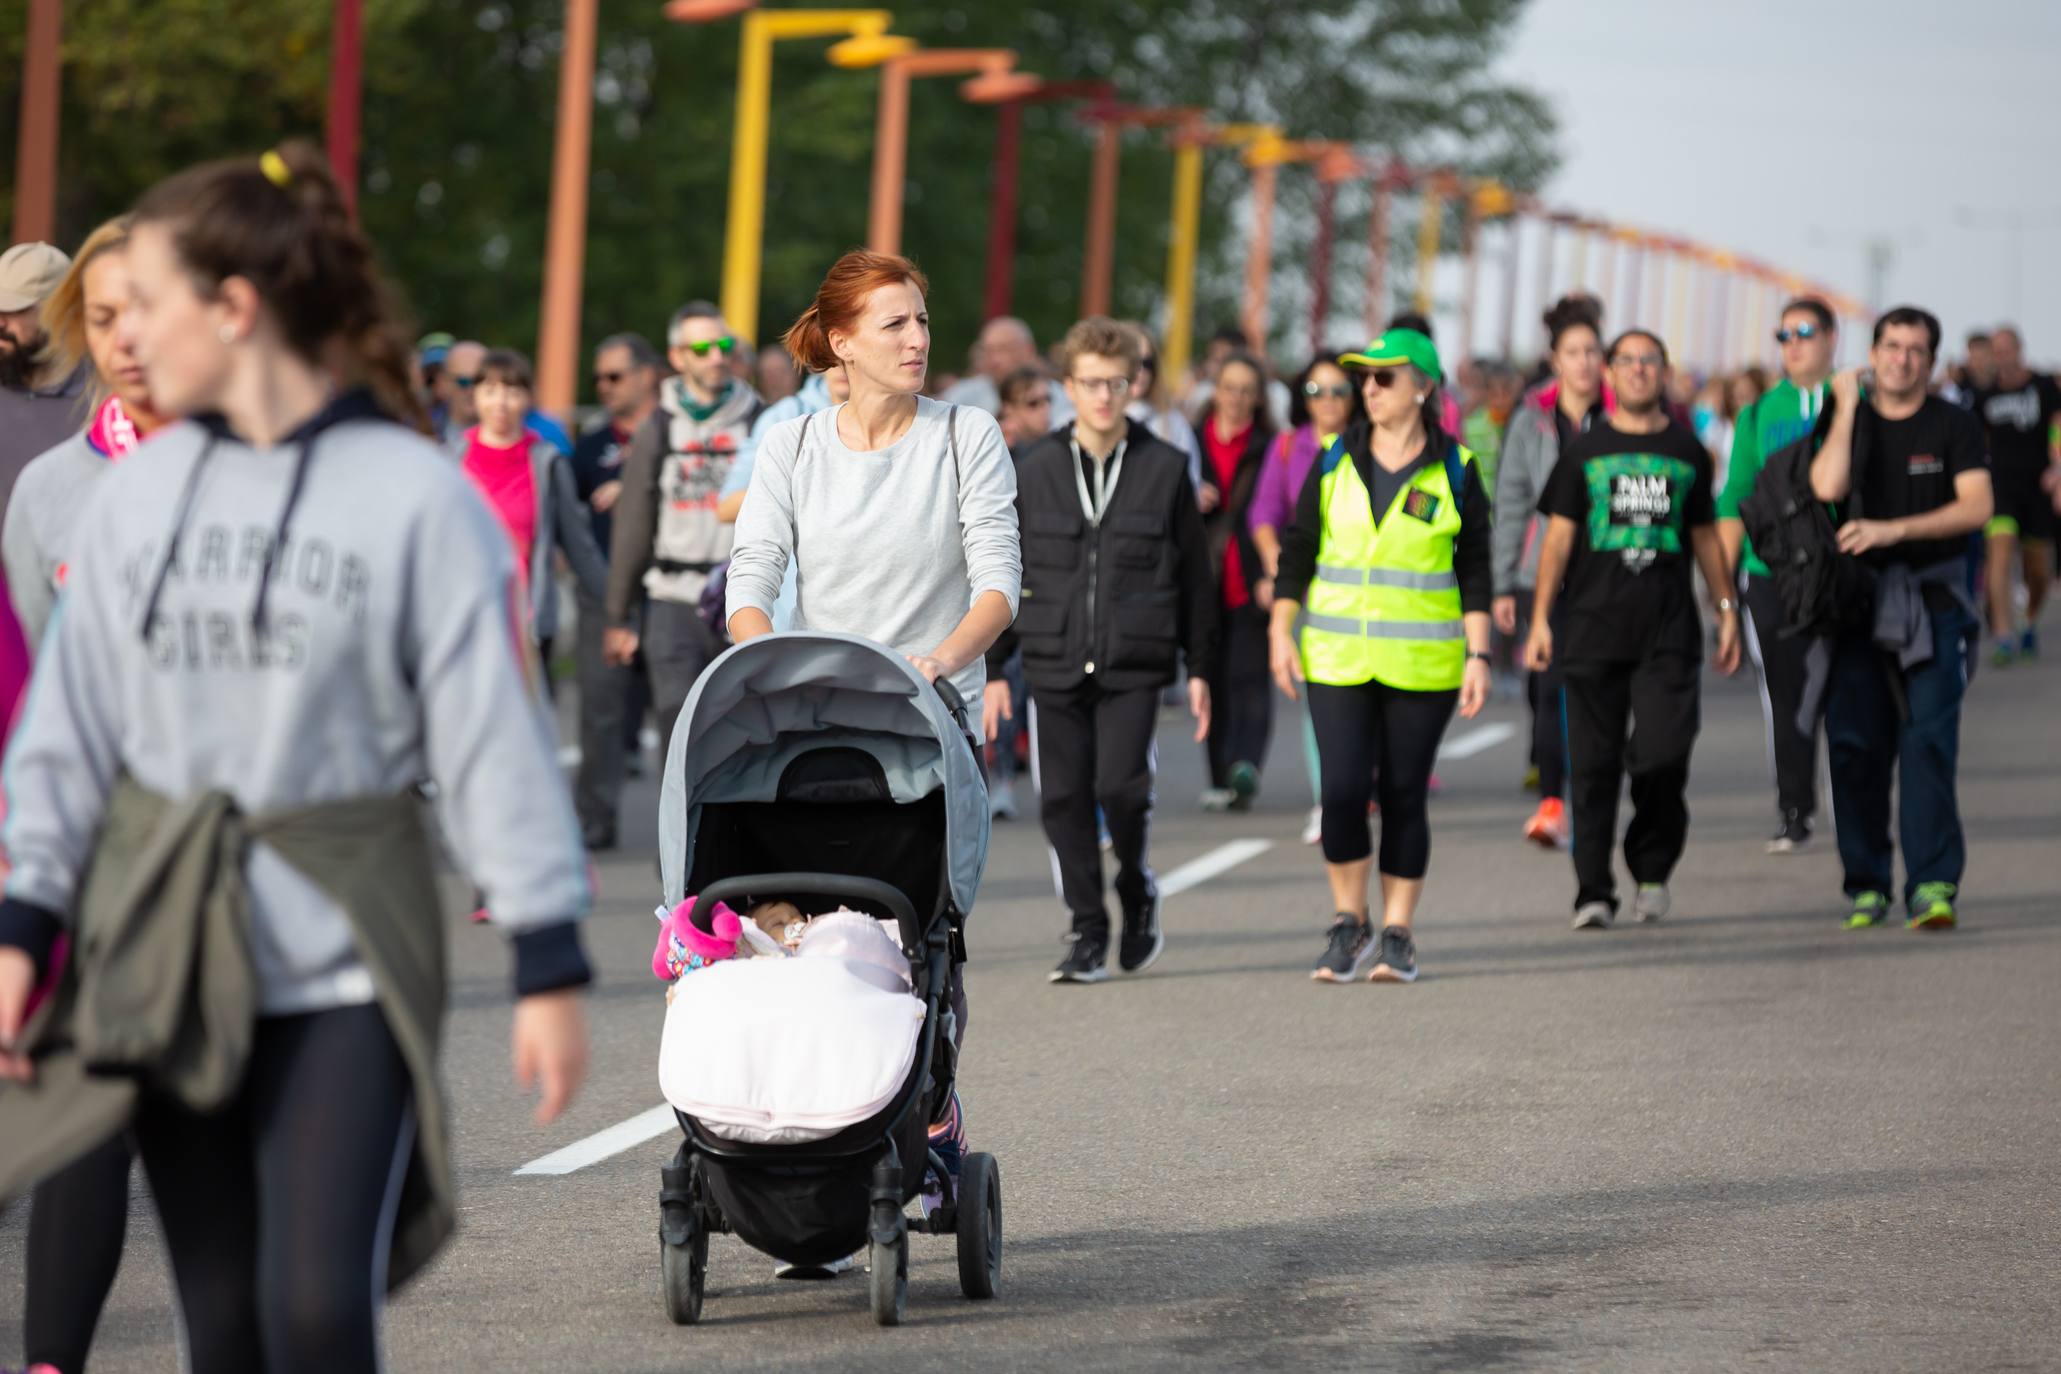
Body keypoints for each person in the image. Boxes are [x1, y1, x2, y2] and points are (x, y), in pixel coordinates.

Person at [0, 140, 589, 1373]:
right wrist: (25, 924)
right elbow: (68, 734)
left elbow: (491, 734)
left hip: (345, 950)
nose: (119, 335)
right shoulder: (136, 497)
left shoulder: (414, 498)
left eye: (147, 302)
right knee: (222, 1314)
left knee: (317, 1303)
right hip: (165, 935)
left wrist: (544, 951)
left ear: (235, 307)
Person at [725, 247, 1017, 1214]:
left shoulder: (963, 437)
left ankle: (929, 1117)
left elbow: (996, 585)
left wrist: (935, 663)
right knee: (794, 930)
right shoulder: (794, 447)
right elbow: (753, 571)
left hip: (928, 722)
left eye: (922, 321)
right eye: (894, 324)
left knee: (921, 939)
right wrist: (756, 660)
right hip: (813, 727)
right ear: (841, 343)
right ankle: (806, 1143)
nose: (917, 339)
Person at [0, 214, 171, 1374]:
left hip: (251, 864)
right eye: (100, 317)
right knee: (84, 1126)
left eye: (142, 311)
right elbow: (35, 688)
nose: (124, 340)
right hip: (93, 855)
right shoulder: (51, 488)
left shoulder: (279, 467)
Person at [985, 317, 1213, 983]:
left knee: (1119, 787)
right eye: (1090, 384)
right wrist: (995, 667)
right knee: (1060, 798)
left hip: (1132, 659)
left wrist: (1199, 668)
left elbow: (1195, 578)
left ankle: (1136, 886)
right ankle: (1087, 928)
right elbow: (1004, 565)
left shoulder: (1164, 468)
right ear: (1067, 387)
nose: (1104, 397)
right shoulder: (1035, 467)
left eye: (1116, 383)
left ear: (1134, 383)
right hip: (1051, 655)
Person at [1268, 327, 1493, 984]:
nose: (1366, 388)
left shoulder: (1457, 468)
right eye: (1363, 377)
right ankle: (1347, 921)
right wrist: (1281, 631)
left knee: (1401, 795)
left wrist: (1479, 655)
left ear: (1422, 387)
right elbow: (1297, 549)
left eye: (1382, 377)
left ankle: (1397, 931)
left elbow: (1474, 568)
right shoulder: (1335, 458)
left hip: (1422, 667)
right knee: (1340, 792)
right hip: (1337, 658)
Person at [1524, 328, 1741, 930]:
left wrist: (1726, 612)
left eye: (1650, 360)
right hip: (1592, 630)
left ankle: (1651, 865)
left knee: (1663, 757)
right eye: (1627, 360)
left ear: (1664, 371)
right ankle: (1592, 890)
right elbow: (1558, 538)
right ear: (1610, 374)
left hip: (1667, 633)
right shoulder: (1583, 453)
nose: (1639, 370)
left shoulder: (1688, 450)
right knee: (1592, 768)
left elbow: (1704, 538)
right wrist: (1541, 618)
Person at [1809, 308, 1991, 930]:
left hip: (1933, 605)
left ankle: (1932, 882)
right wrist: (1843, 406)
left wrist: (1894, 529)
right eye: (1891, 346)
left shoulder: (1955, 425)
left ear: (1931, 361)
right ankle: (1866, 883)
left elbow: (1976, 507)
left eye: (1916, 350)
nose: (1902, 359)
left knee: (1928, 743)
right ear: (1873, 353)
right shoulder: (1845, 417)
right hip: (1854, 605)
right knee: (1856, 747)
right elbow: (1826, 488)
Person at [603, 302, 763, 764]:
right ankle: (679, 837)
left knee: (742, 737)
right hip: (672, 601)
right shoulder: (661, 424)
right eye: (701, 347)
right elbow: (635, 522)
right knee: (678, 729)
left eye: (724, 345)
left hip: (741, 598)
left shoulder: (759, 419)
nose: (716, 356)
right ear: (678, 358)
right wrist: (619, 614)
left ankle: (731, 836)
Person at [1715, 297, 1837, 854]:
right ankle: (1795, 808)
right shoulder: (1759, 414)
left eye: (1805, 332)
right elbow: (1734, 500)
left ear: (1831, 338)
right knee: (1784, 697)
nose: (1793, 344)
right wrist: (1721, 595)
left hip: (1845, 572)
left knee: (1848, 692)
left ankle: (1855, 803)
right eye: (1783, 335)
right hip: (1772, 576)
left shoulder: (1854, 400)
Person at [1494, 296, 1606, 846]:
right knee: (1549, 683)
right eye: (1574, 352)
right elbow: (1511, 501)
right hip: (1544, 574)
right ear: (1555, 360)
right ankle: (1553, 800)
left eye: (1593, 351)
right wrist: (1503, 583)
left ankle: (1593, 786)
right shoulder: (1530, 419)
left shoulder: (1623, 412)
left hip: (1611, 574)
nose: (1585, 361)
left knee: (1600, 685)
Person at [1250, 350, 1359, 846]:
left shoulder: (1370, 445)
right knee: (1323, 699)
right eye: (1317, 391)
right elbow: (1264, 513)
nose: (1328, 401)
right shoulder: (1291, 446)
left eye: (1339, 390)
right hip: (1312, 590)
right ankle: (1327, 800)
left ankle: (1362, 784)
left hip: (1368, 591)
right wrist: (1278, 564)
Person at [458, 347, 608, 688]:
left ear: (527, 399)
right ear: (475, 396)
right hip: (463, 619)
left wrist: (616, 612)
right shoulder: (452, 457)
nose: (500, 402)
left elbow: (579, 546)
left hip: (525, 623)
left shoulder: (546, 462)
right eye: (490, 390)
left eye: (512, 391)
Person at [568, 332, 662, 849]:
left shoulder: (675, 433)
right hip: (604, 595)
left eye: (614, 376)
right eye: (598, 378)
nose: (603, 386)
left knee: (680, 714)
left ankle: (688, 831)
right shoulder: (590, 445)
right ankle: (595, 821)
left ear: (647, 375)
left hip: (668, 589)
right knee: (600, 713)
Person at [1197, 349, 1278, 811]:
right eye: (1230, 388)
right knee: (1211, 676)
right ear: (1216, 391)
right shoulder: (1189, 440)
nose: (1237, 398)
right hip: (1203, 577)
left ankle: (1245, 766)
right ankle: (1218, 774)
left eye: (1248, 390)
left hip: (1250, 578)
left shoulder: (1270, 446)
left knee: (1248, 677)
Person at [1968, 325, 2059, 664]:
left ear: (2019, 349)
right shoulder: (1985, 396)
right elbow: (1977, 442)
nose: (2003, 355)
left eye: (2008, 348)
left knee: (2038, 569)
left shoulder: (2043, 386)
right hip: (2000, 488)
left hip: (2038, 486)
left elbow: (2058, 425)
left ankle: (2029, 621)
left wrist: (2058, 467)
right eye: (1997, 350)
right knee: (2000, 552)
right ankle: (2004, 636)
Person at [942, 314, 1074, 427]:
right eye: (988, 351)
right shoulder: (961, 396)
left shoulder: (1061, 399)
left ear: (1029, 350)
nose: (994, 360)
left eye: (1004, 349)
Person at [1124, 323, 1205, 493]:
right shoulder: (1087, 420)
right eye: (1132, 361)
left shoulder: (1174, 423)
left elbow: (1190, 486)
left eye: (1147, 363)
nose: (1140, 371)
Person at [431, 338, 484, 444]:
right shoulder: (421, 431)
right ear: (444, 383)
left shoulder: (517, 438)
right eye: (463, 382)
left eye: (479, 381)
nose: (471, 390)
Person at [997, 364, 1054, 452]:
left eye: (1048, 399)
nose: (1045, 408)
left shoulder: (1059, 442)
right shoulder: (996, 447)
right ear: (1008, 409)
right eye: (1033, 403)